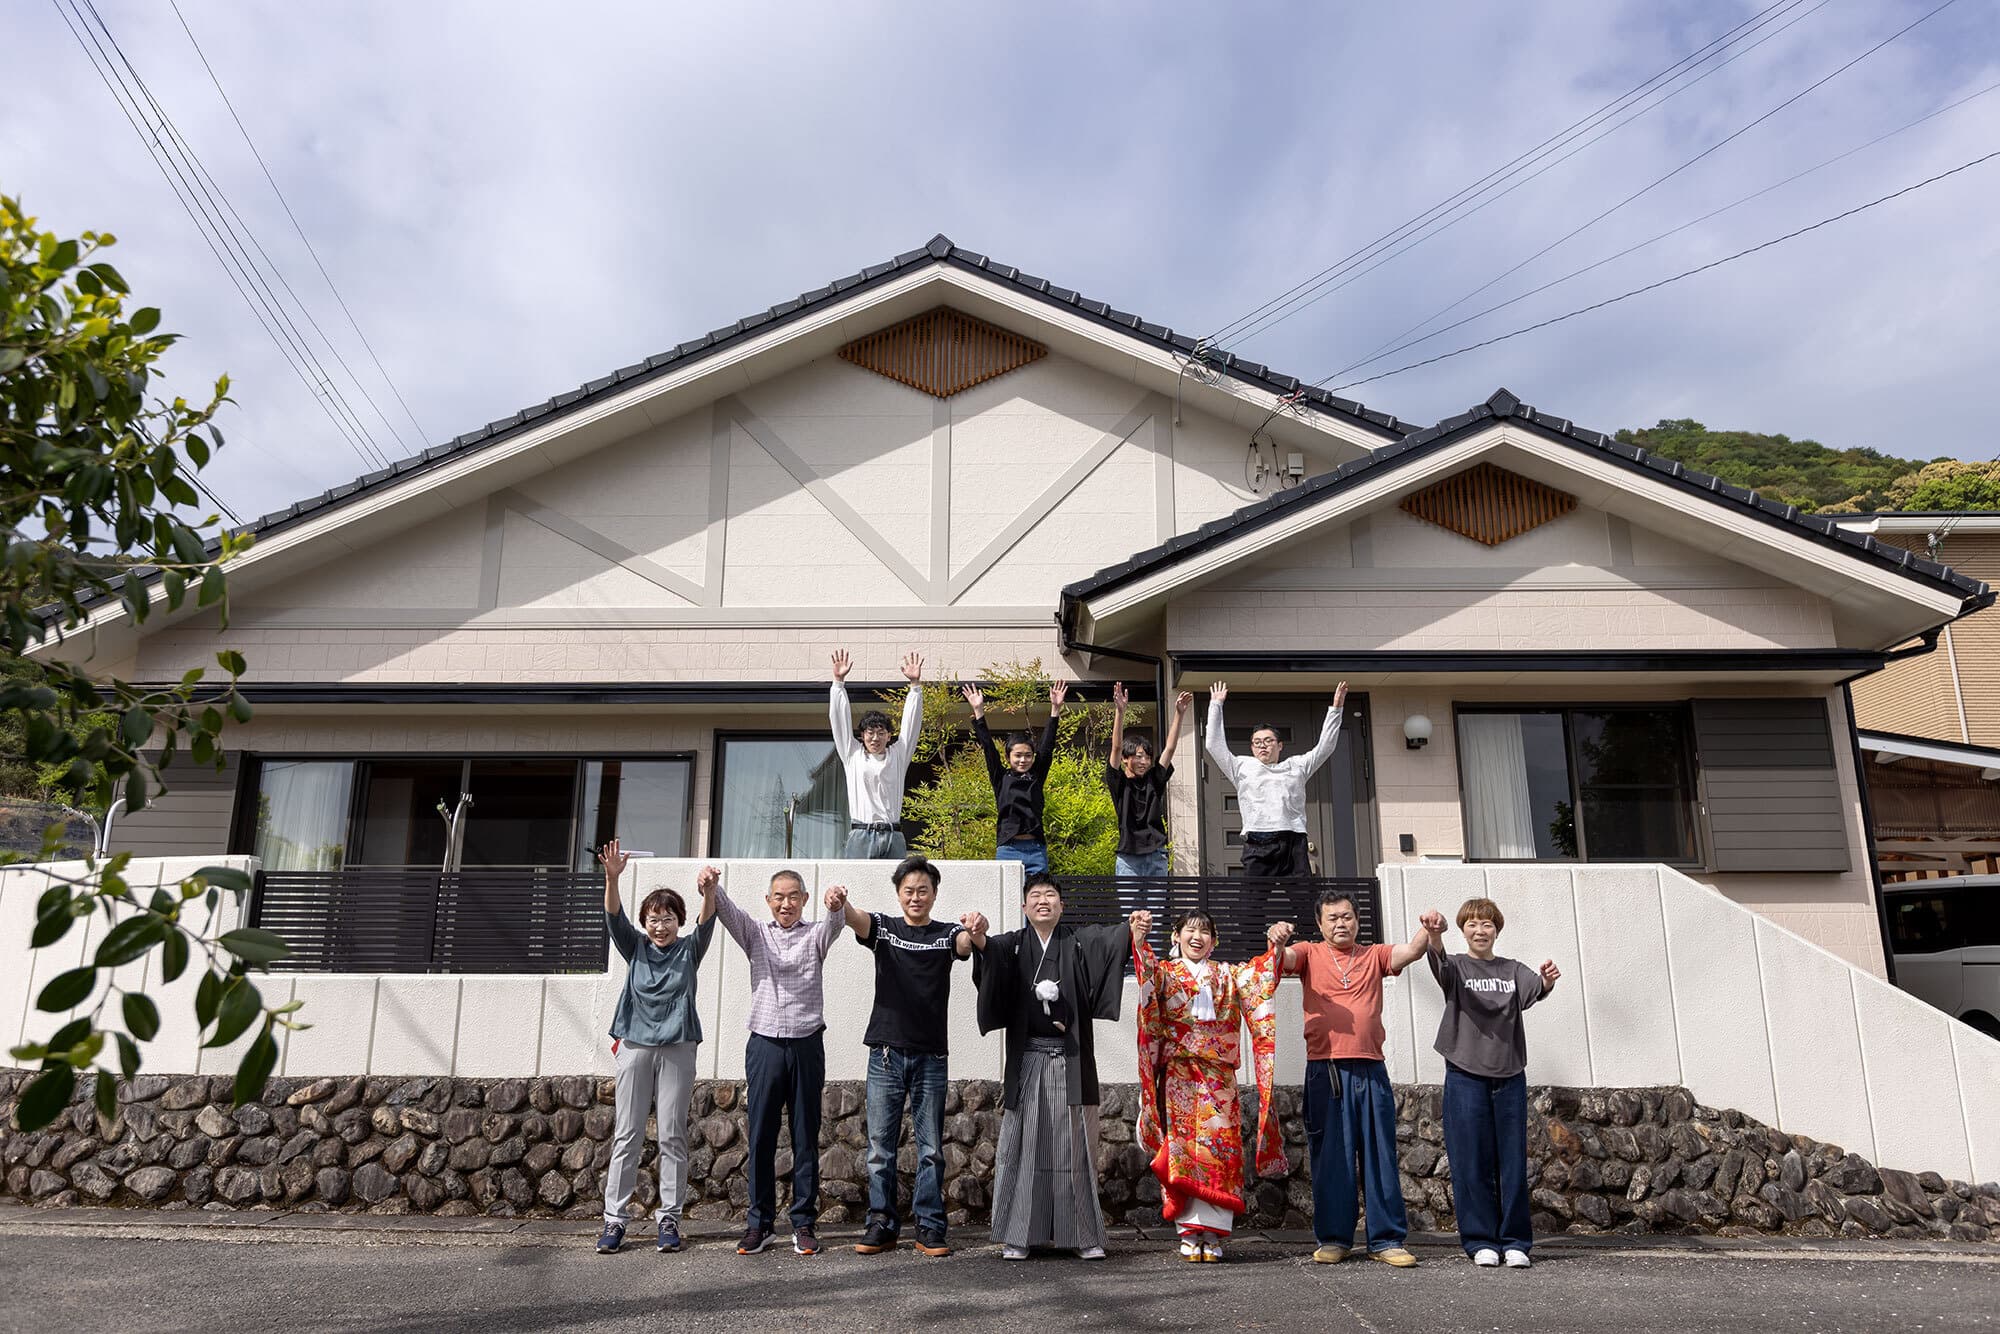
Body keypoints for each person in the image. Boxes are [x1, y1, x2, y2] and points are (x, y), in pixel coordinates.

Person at [968, 873, 1134, 1261]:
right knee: (1024, 1147)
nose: (1043, 901)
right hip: (1028, 1060)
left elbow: (1110, 940)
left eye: (1051, 896)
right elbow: (988, 953)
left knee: (1073, 1148)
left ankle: (1080, 1234)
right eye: (1035, 896)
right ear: (1025, 907)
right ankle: (1018, 1234)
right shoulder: (1013, 944)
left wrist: (1132, 930)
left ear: (1061, 906)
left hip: (1069, 1060)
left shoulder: (1077, 942)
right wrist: (977, 937)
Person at [828, 855, 987, 1259]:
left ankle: (931, 1227)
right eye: (908, 890)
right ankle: (881, 1224)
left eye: (923, 890)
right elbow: (854, 918)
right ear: (899, 894)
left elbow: (966, 943)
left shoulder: (946, 932)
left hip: (931, 1055)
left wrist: (976, 927)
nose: (916, 896)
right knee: (880, 1148)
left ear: (934, 894)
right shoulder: (885, 928)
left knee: (931, 1147)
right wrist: (840, 902)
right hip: (885, 1053)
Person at [1267, 890, 1432, 1267]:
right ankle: (1335, 1238)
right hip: (1326, 1069)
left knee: (1379, 1155)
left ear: (1357, 921)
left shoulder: (1373, 954)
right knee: (1331, 1159)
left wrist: (1427, 930)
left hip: (1371, 1067)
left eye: (1347, 917)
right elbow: (1282, 959)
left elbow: (1411, 952)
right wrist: (1275, 940)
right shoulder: (1309, 953)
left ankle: (1387, 1239)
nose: (1341, 924)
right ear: (1321, 924)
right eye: (1332, 918)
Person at [1131, 908, 1285, 1263]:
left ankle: (1214, 1233)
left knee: (1220, 1151)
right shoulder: (1167, 973)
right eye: (1190, 931)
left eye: (1205, 932)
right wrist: (1139, 939)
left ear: (1214, 941)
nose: (1197, 937)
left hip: (1219, 1079)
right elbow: (1147, 978)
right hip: (1180, 1076)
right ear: (1176, 936)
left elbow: (1259, 977)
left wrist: (1274, 946)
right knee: (1185, 1151)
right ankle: (1189, 1232)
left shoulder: (1230, 975)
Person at [1418, 898, 1561, 1269]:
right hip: (1465, 1074)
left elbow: (1537, 989)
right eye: (1472, 924)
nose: (1480, 930)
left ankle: (1515, 1242)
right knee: (1471, 1161)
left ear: (1497, 930)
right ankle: (1480, 1240)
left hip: (1510, 1075)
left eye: (1487, 925)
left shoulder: (1513, 969)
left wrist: (1546, 980)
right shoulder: (1458, 966)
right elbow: (1440, 964)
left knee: (1511, 1162)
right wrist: (1435, 936)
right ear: (1463, 930)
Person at [712, 868, 847, 1257]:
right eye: (778, 897)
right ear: (769, 900)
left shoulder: (814, 934)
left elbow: (835, 924)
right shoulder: (756, 932)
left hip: (806, 1044)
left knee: (806, 1136)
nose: (785, 903)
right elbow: (728, 912)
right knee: (761, 1137)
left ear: (804, 899)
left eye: (792, 896)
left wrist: (836, 905)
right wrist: (711, 886)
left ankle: (803, 1223)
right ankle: (760, 1223)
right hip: (765, 1044)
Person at [594, 841, 719, 1255]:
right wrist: (612, 878)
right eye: (653, 919)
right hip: (634, 1045)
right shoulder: (636, 948)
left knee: (672, 1135)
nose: (660, 926)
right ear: (645, 923)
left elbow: (707, 922)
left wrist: (709, 891)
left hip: (678, 1047)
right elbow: (614, 917)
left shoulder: (689, 950)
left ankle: (670, 1219)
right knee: (627, 1134)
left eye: (667, 918)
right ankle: (615, 1221)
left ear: (677, 921)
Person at [1205, 680, 1347, 878]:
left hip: (1293, 842)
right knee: (1253, 906)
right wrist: (1216, 706)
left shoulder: (1297, 765)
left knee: (1304, 902)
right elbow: (1213, 744)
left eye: (1268, 741)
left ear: (1280, 745)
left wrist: (1336, 708)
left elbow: (1325, 747)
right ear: (1252, 748)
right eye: (1257, 743)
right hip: (1257, 842)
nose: (1262, 746)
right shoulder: (1241, 766)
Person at [963, 678, 1066, 879]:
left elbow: (1047, 746)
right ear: (1008, 757)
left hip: (1036, 849)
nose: (1023, 760)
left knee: (1036, 897)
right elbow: (988, 748)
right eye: (1017, 755)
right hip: (1008, 849)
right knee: (1008, 903)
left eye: (1028, 755)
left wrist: (1055, 709)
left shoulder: (1036, 775)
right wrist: (979, 711)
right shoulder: (1001, 777)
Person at [830, 649, 925, 859]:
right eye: (870, 733)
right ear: (862, 736)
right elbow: (839, 722)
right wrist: (838, 683)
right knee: (856, 887)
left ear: (889, 736)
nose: (875, 738)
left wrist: (915, 687)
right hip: (862, 833)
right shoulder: (852, 754)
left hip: (893, 834)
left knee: (897, 890)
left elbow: (911, 726)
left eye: (881, 733)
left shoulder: (898, 755)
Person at [1106, 684, 1192, 882]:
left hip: (1156, 854)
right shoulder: (1118, 783)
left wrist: (1179, 714)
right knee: (1130, 912)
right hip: (1128, 857)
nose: (1144, 761)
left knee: (1156, 912)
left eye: (1147, 757)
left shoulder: (1155, 779)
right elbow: (1116, 747)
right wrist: (1120, 712)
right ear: (1126, 759)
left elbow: (1169, 749)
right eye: (1138, 756)